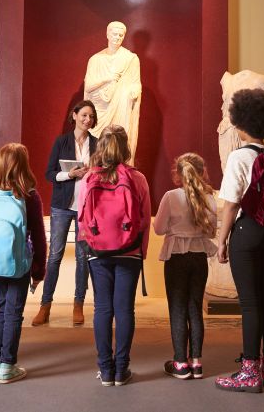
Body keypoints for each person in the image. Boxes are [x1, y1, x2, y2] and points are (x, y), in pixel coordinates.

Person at [214, 89, 264, 393]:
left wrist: (221, 240)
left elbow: (230, 203)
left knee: (250, 303)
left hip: (247, 231)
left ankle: (248, 373)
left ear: (242, 123)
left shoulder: (239, 156)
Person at [78, 125, 151, 386]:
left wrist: (88, 247)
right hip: (129, 251)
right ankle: (122, 370)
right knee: (124, 310)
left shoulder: (89, 179)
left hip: (98, 251)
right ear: (125, 147)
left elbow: (81, 219)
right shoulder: (137, 178)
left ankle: (105, 371)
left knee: (102, 309)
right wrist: (141, 251)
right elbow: (143, 221)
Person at [0, 143, 47, 384]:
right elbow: (39, 237)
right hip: (18, 263)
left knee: (1, 309)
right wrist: (39, 270)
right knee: (14, 313)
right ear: (23, 165)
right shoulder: (29, 195)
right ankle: (8, 365)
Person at [33, 100, 99, 327]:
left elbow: (101, 175)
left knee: (83, 257)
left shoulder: (97, 143)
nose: (87, 120)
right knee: (55, 256)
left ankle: (78, 304)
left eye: (91, 116)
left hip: (86, 207)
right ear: (74, 115)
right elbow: (49, 174)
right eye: (84, 115)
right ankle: (45, 305)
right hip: (62, 206)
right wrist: (70, 175)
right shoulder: (61, 142)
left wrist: (91, 174)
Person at [154, 153, 217, 380]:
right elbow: (211, 231)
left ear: (177, 174)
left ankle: (180, 363)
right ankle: (197, 363)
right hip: (199, 257)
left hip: (177, 257)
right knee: (195, 308)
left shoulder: (171, 197)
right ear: (203, 173)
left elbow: (159, 229)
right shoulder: (209, 198)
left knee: (178, 309)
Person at [83, 21, 141, 161]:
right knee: (96, 147)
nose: (117, 37)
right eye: (114, 34)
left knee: (118, 143)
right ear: (107, 34)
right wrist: (107, 79)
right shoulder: (96, 60)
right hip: (99, 111)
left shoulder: (131, 59)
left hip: (121, 108)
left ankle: (120, 173)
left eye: (121, 35)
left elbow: (135, 84)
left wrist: (133, 91)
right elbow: (88, 86)